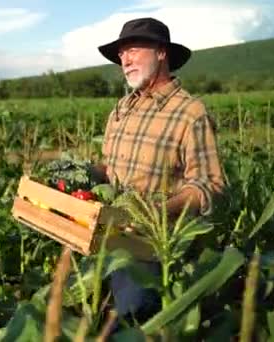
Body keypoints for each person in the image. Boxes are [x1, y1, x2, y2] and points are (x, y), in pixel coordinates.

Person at [94, 17, 225, 326]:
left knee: (132, 323)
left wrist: (159, 210)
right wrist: (83, 172)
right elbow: (112, 169)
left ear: (162, 52)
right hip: (108, 235)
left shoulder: (190, 112)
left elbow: (211, 185)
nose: (125, 60)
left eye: (133, 49)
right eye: (121, 54)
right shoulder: (121, 108)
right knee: (96, 316)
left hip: (152, 246)